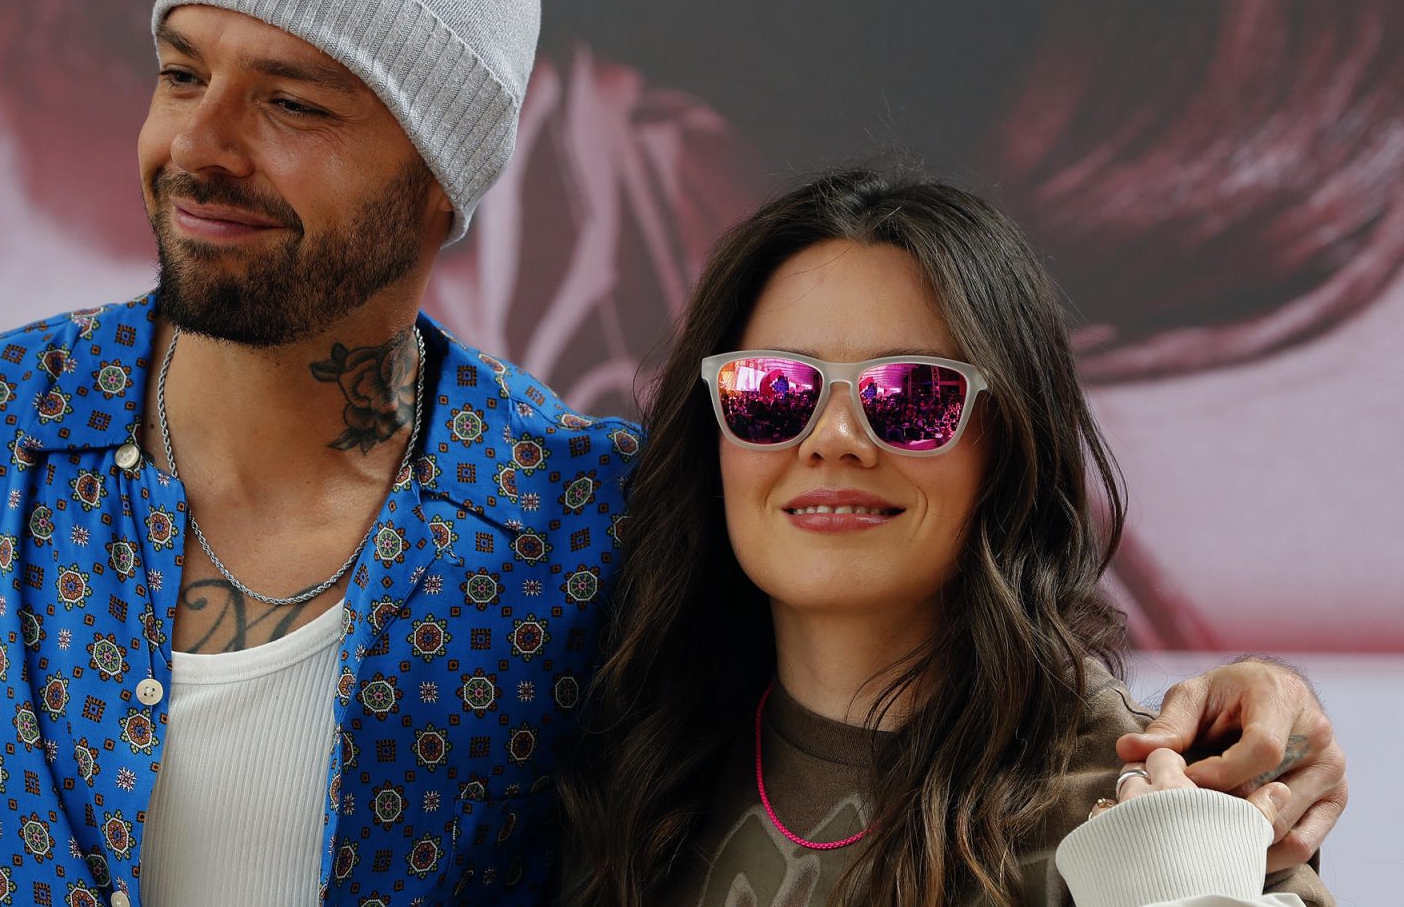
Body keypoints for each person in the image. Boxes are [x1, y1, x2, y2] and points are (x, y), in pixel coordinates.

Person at [0, 0, 1344, 907]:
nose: (201, 144)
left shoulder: (582, 528)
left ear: (446, 183)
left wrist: (1247, 729)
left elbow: (917, 662)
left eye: (294, 102)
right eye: (182, 73)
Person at [559, 165, 1333, 905]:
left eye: (912, 395)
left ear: (1010, 446)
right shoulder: (621, 775)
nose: (833, 438)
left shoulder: (1164, 821)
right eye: (772, 391)